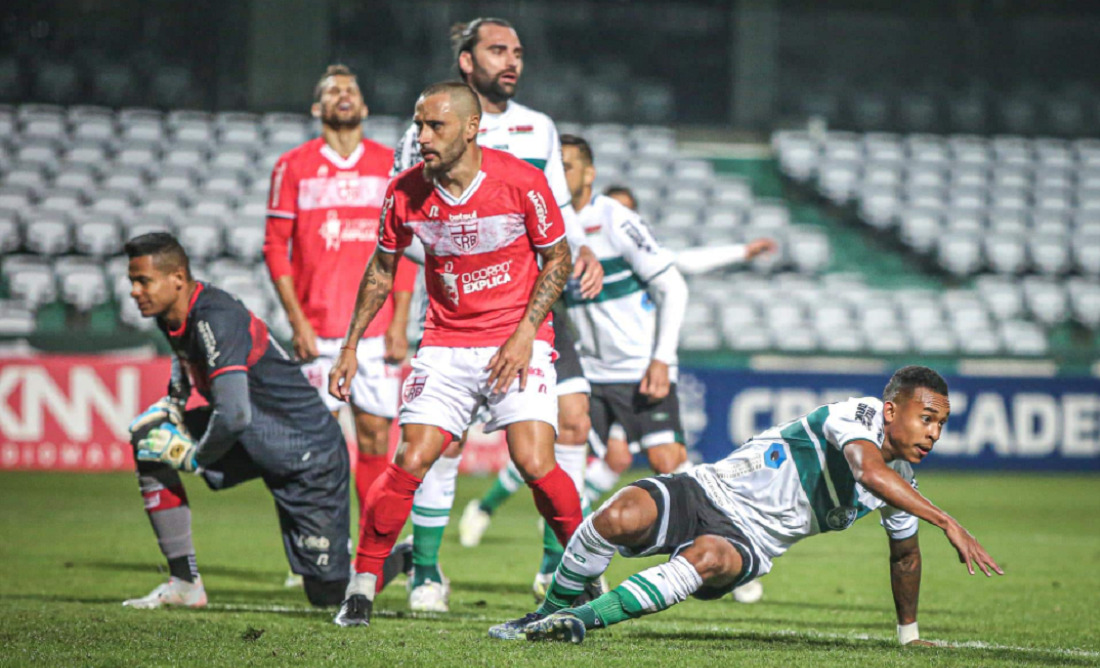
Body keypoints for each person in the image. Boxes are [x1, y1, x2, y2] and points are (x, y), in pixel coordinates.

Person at [487, 366, 1004, 644]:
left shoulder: (901, 484)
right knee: (617, 513)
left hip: (747, 544)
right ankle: (547, 612)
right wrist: (947, 521)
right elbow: (866, 469)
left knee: (707, 558)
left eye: (941, 424)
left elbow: (904, 557)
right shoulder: (857, 415)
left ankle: (582, 621)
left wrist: (908, 636)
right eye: (927, 418)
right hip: (707, 489)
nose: (933, 433)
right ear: (892, 411)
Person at [329, 81, 584, 628]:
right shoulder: (405, 192)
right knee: (410, 460)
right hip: (445, 343)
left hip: (517, 340)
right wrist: (351, 344)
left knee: (536, 464)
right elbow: (381, 267)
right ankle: (363, 584)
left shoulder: (522, 181)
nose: (421, 136)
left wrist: (525, 333)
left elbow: (558, 260)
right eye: (419, 125)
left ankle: (584, 570)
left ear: (471, 128)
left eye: (434, 126)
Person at [460, 141, 777, 558]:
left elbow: (679, 270)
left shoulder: (616, 224)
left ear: (590, 175)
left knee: (664, 463)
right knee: (553, 453)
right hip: (588, 373)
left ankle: (728, 544)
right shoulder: (551, 226)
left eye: (568, 167)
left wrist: (662, 358)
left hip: (637, 371)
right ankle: (549, 558)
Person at [392, 17, 604, 611]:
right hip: (454, 311)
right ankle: (427, 572)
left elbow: (560, 205)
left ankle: (559, 569)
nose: (511, 61)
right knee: (443, 443)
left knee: (571, 424)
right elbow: (403, 216)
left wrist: (581, 243)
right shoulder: (428, 124)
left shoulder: (539, 128)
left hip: (532, 308)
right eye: (496, 50)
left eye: (517, 52)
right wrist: (464, 247)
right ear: (467, 61)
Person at [120, 233, 407, 610]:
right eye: (132, 281)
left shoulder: (217, 317)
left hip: (306, 451)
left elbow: (234, 413)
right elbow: (188, 367)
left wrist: (195, 457)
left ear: (177, 277)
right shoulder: (172, 314)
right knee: (149, 439)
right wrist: (173, 403)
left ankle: (407, 556)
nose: (134, 291)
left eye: (143, 280)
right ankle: (184, 582)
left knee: (328, 594)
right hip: (257, 436)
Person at [264, 64, 417, 556]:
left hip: (374, 334)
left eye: (351, 89)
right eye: (332, 90)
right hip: (318, 327)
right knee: (313, 450)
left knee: (375, 439)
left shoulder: (389, 165)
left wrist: (398, 321)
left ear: (365, 106)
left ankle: (371, 548)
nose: (343, 95)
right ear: (318, 108)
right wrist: (297, 322)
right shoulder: (293, 165)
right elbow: (274, 247)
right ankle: (319, 544)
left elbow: (407, 246)